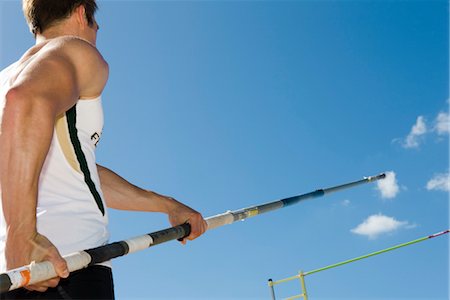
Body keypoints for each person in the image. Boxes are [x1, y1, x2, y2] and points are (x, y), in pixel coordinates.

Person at [0, 0, 207, 299]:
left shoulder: (4, 79)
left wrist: (169, 205)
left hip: (13, 272)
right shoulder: (75, 49)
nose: (98, 33)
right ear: (82, 13)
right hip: (66, 265)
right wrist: (22, 235)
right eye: (96, 25)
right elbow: (26, 99)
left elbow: (81, 172)